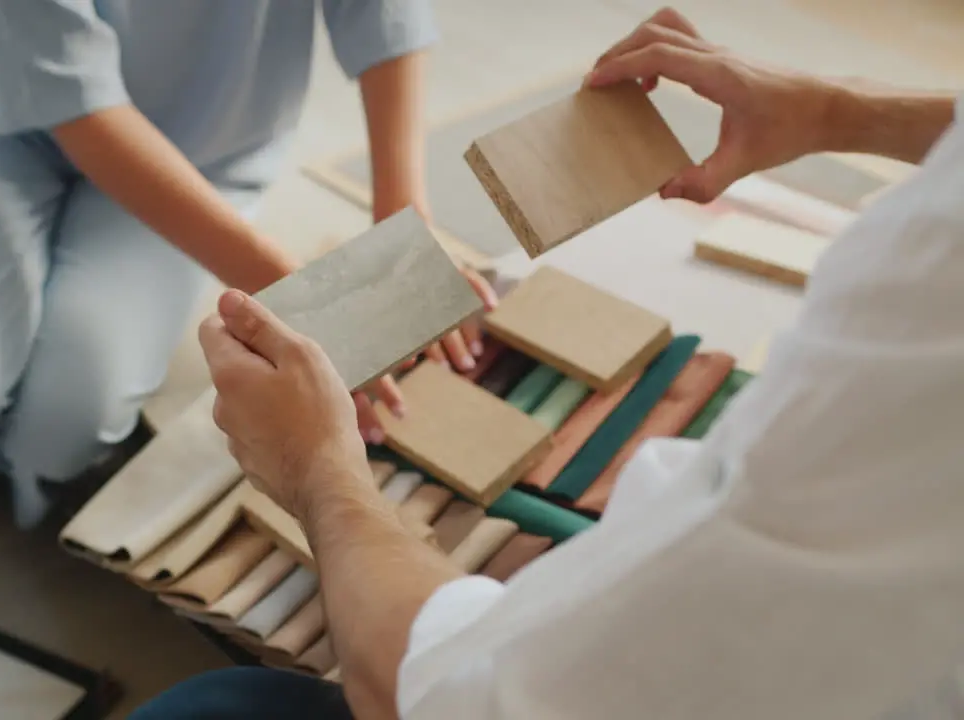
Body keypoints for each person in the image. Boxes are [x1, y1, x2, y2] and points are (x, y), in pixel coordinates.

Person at [133, 7, 964, 719]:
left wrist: (316, 467)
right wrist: (836, 111)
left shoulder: (918, 324)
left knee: (211, 708)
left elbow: (458, 696)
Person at [0, 0, 497, 555]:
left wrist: (403, 230)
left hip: (205, 130)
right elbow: (79, 105)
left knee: (69, 420)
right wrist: (307, 300)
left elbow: (382, 13)